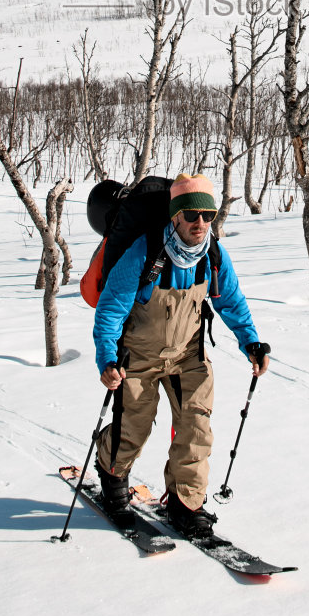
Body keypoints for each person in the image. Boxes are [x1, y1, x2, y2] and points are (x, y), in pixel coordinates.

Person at [93, 172, 271, 536]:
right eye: (191, 216)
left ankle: (186, 504)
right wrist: (108, 359)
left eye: (208, 215)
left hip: (188, 354)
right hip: (138, 357)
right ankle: (112, 479)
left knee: (196, 428)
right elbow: (110, 309)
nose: (200, 224)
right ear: (175, 215)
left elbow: (231, 302)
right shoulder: (144, 251)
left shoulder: (213, 255)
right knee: (133, 428)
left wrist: (250, 341)